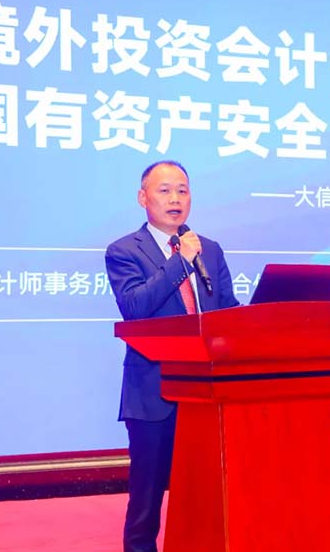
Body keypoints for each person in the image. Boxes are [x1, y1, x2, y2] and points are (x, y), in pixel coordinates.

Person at [105, 160, 239, 552]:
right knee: (146, 499)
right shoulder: (124, 251)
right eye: (164, 190)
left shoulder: (210, 250)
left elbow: (227, 311)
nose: (175, 198)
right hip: (154, 393)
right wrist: (180, 261)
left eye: (182, 190)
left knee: (204, 492)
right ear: (142, 197)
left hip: (207, 394)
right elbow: (135, 307)